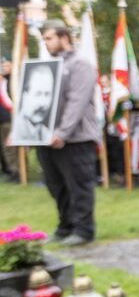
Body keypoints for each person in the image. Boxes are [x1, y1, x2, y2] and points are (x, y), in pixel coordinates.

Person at [33, 20, 101, 246]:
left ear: (64, 37)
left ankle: (83, 230)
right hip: (47, 138)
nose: (46, 43)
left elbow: (77, 103)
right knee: (56, 185)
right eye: (44, 39)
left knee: (79, 185)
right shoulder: (48, 67)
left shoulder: (81, 65)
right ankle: (66, 226)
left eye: (49, 38)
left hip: (76, 138)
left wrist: (62, 132)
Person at [14, 62, 56, 144]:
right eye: (38, 94)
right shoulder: (15, 132)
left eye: (47, 94)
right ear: (25, 95)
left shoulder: (47, 135)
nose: (43, 103)